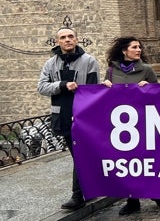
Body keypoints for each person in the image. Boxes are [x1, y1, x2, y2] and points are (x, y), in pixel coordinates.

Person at [101, 37, 160, 215]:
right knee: (128, 163)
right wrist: (105, 86)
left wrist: (150, 87)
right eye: (134, 47)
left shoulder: (146, 69)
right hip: (122, 125)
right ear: (124, 50)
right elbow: (106, 98)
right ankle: (132, 200)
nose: (138, 50)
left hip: (143, 122)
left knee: (147, 161)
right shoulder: (111, 70)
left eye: (140, 47)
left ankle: (155, 192)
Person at [37, 28, 99, 211]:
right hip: (61, 116)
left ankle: (77, 196)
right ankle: (90, 188)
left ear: (77, 39)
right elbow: (42, 87)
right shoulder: (50, 63)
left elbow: (93, 89)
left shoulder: (89, 61)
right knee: (79, 155)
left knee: (79, 155)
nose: (67, 40)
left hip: (81, 116)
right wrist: (63, 85)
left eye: (70, 37)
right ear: (58, 42)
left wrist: (86, 114)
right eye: (63, 37)